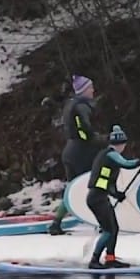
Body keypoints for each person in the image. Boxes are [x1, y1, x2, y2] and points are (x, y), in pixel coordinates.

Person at [85, 125, 140, 269]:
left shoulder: (105, 156)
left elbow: (106, 182)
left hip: (100, 197)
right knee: (108, 230)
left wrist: (116, 194)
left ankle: (110, 258)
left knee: (114, 228)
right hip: (97, 199)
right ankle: (94, 261)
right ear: (122, 144)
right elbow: (127, 164)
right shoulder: (111, 154)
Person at [49, 74, 102, 235]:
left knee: (72, 188)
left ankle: (56, 223)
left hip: (69, 150)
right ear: (84, 90)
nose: (93, 90)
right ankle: (102, 222)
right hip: (82, 152)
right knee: (95, 186)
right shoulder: (81, 106)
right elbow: (86, 133)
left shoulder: (70, 104)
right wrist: (104, 140)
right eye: (90, 87)